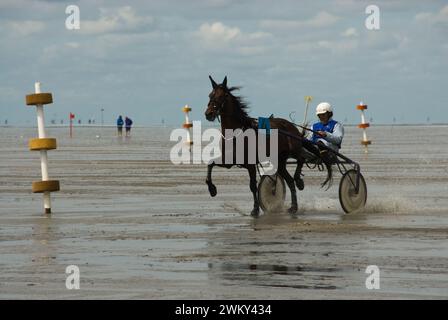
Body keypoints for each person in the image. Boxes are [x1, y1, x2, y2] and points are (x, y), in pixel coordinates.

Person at [296, 102, 344, 190]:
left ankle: (321, 155)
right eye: (319, 115)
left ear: (329, 114)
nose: (321, 116)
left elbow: (338, 139)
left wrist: (325, 134)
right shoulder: (314, 126)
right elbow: (310, 140)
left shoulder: (337, 125)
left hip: (330, 151)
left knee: (320, 142)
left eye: (323, 114)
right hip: (316, 150)